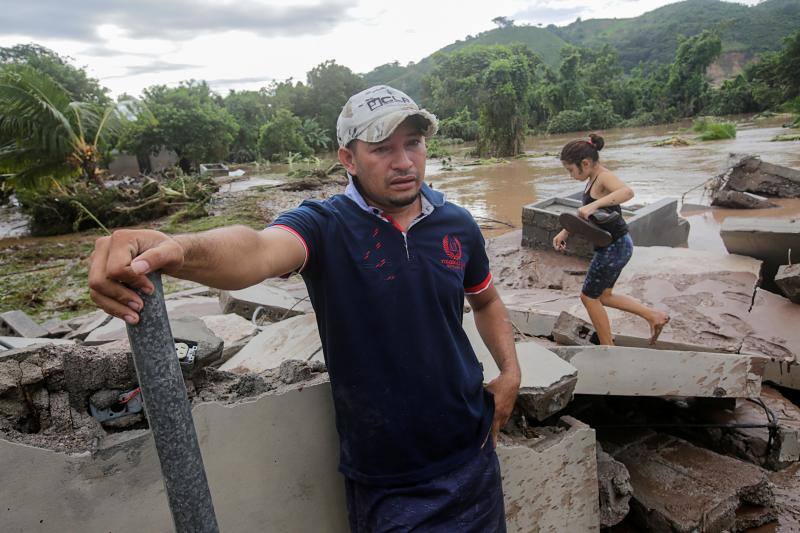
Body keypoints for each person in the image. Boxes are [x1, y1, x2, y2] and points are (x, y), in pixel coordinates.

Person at [88, 85, 520, 532]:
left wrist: (510, 374)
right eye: (382, 149)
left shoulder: (457, 224)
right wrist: (176, 248)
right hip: (391, 478)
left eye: (413, 143)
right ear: (348, 159)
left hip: (474, 453)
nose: (405, 162)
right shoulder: (324, 225)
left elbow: (485, 300)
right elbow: (255, 250)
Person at [552, 133, 670, 346]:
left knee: (588, 297)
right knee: (604, 296)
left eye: (570, 170)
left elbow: (627, 192)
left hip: (614, 247)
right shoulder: (591, 179)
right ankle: (654, 316)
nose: (570, 175)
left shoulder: (603, 177)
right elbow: (585, 215)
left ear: (585, 163)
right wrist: (565, 231)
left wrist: (594, 205)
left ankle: (608, 347)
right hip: (617, 245)